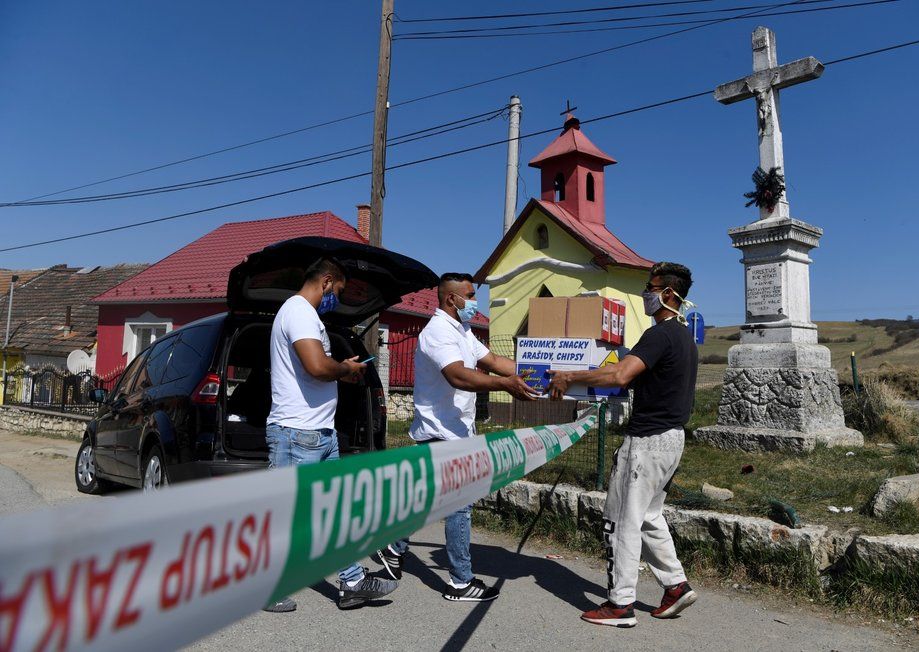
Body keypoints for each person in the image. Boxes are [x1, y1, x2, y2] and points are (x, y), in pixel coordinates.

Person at [547, 262, 699, 628]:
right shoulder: (684, 337)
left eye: (650, 286)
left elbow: (620, 374)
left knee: (620, 520)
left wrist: (570, 376)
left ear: (667, 294)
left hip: (647, 442)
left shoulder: (659, 334)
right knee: (647, 516)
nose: (645, 293)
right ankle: (675, 585)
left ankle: (620, 604)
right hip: (672, 439)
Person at [377, 272, 537, 602]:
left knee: (421, 501)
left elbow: (492, 360)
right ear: (452, 299)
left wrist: (534, 371)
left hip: (455, 432)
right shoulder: (437, 332)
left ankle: (392, 551)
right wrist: (505, 385)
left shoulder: (461, 330)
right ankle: (460, 582)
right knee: (459, 507)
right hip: (441, 433)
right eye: (470, 295)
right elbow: (458, 376)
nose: (474, 303)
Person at [263, 258, 398, 612]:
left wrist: (345, 372)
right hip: (297, 432)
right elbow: (318, 366)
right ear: (325, 281)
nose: (336, 299)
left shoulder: (307, 316)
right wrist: (345, 369)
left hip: (318, 432)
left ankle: (351, 582)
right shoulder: (298, 312)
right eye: (337, 292)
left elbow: (319, 369)